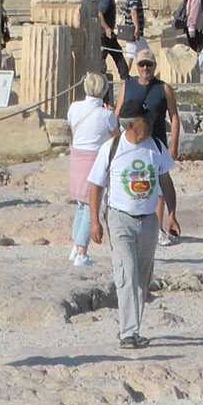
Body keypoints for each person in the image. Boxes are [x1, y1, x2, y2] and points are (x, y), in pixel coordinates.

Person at [86, 97, 177, 349]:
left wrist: (172, 213)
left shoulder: (156, 146)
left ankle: (133, 329)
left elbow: (166, 180)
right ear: (132, 125)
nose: (150, 124)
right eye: (145, 120)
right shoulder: (111, 148)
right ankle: (127, 332)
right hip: (119, 218)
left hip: (148, 220)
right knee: (126, 271)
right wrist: (94, 221)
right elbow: (95, 185)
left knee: (143, 276)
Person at [122, 46, 184, 239]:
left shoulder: (164, 88)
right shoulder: (128, 85)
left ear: (155, 66)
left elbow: (174, 116)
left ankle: (158, 228)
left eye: (149, 64)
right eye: (142, 64)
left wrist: (173, 145)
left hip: (157, 143)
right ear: (137, 66)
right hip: (132, 144)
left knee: (159, 186)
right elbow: (119, 114)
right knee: (136, 184)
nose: (145, 68)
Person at [65, 71, 117, 266]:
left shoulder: (74, 107)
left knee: (81, 204)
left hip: (77, 156)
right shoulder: (106, 114)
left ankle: (75, 247)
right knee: (90, 205)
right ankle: (82, 252)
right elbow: (116, 137)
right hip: (95, 160)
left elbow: (71, 127)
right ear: (104, 89)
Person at [99, 0, 131, 82]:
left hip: (109, 34)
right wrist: (107, 28)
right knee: (103, 55)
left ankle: (125, 77)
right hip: (105, 34)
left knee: (117, 52)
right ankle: (124, 76)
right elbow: (100, 13)